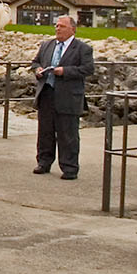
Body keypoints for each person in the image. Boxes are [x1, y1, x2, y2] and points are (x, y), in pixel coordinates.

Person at [30, 14, 95, 179]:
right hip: (46, 93)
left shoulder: (82, 48)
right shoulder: (47, 45)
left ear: (72, 29)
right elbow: (35, 62)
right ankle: (43, 162)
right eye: (57, 26)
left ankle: (69, 168)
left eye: (62, 26)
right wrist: (37, 69)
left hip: (68, 96)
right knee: (45, 132)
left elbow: (88, 69)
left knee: (68, 134)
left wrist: (65, 71)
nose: (58, 29)